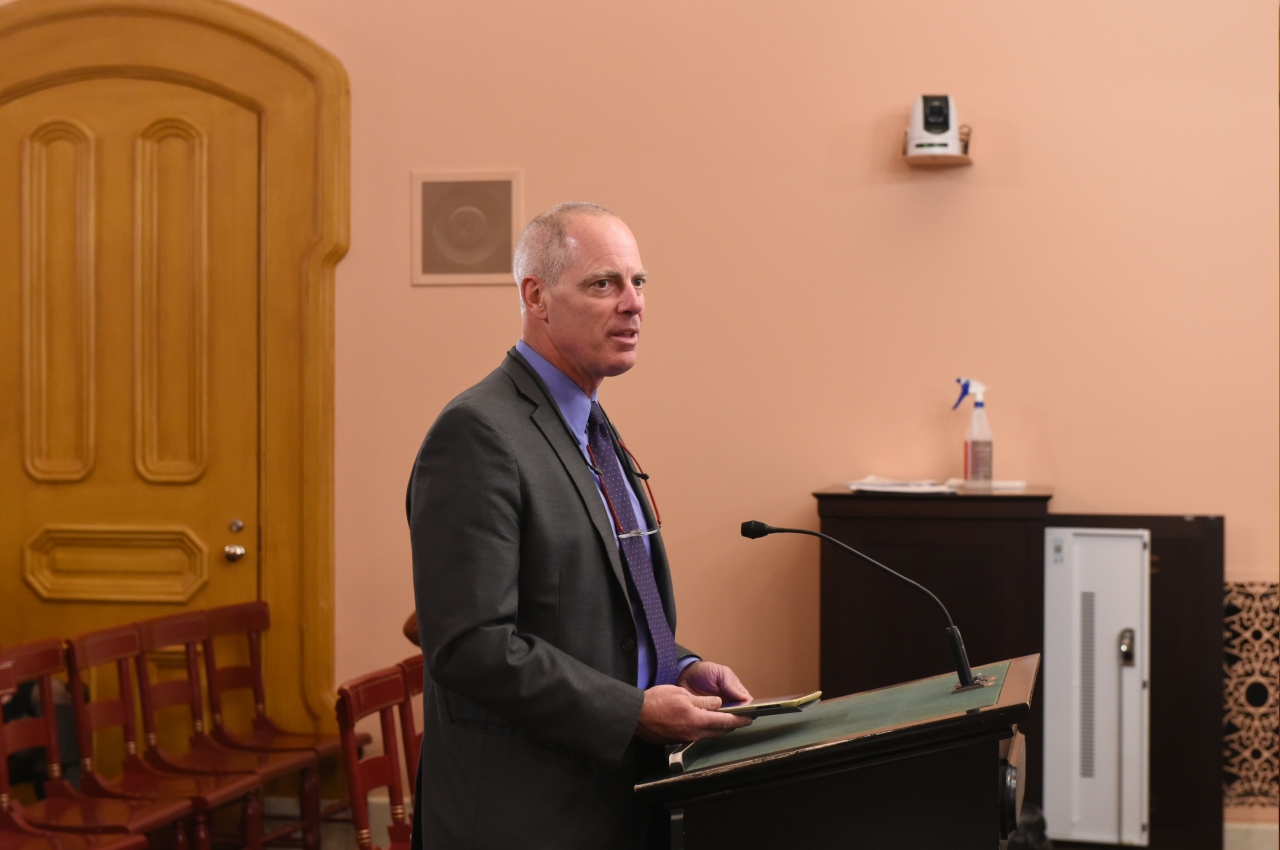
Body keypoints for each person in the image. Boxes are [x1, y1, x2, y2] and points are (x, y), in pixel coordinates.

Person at [407, 202, 752, 849]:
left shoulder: (592, 429)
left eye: (639, 282)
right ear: (535, 297)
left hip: (611, 797)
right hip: (523, 815)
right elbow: (469, 643)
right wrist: (632, 710)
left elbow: (599, 614)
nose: (633, 303)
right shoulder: (478, 434)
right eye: (604, 284)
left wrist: (675, 667)